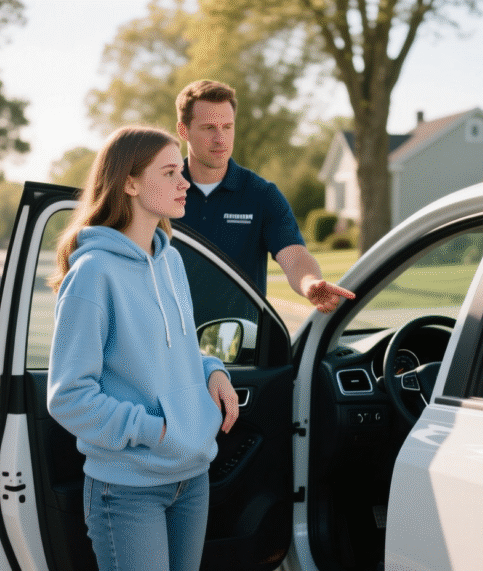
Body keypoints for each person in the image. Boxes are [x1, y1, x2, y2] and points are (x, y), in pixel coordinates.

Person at [46, 125, 239, 571]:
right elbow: (69, 396)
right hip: (128, 489)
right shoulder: (93, 274)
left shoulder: (169, 260)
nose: (184, 183)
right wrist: (156, 432)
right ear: (129, 183)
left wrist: (214, 371)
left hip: (191, 478)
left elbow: (179, 349)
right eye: (169, 173)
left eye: (181, 172)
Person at [175, 79, 355, 313]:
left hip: (240, 343)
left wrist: (309, 282)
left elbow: (295, 255)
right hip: (167, 343)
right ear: (183, 130)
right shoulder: (161, 191)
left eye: (227, 127)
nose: (220, 139)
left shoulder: (262, 195)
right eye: (209, 128)